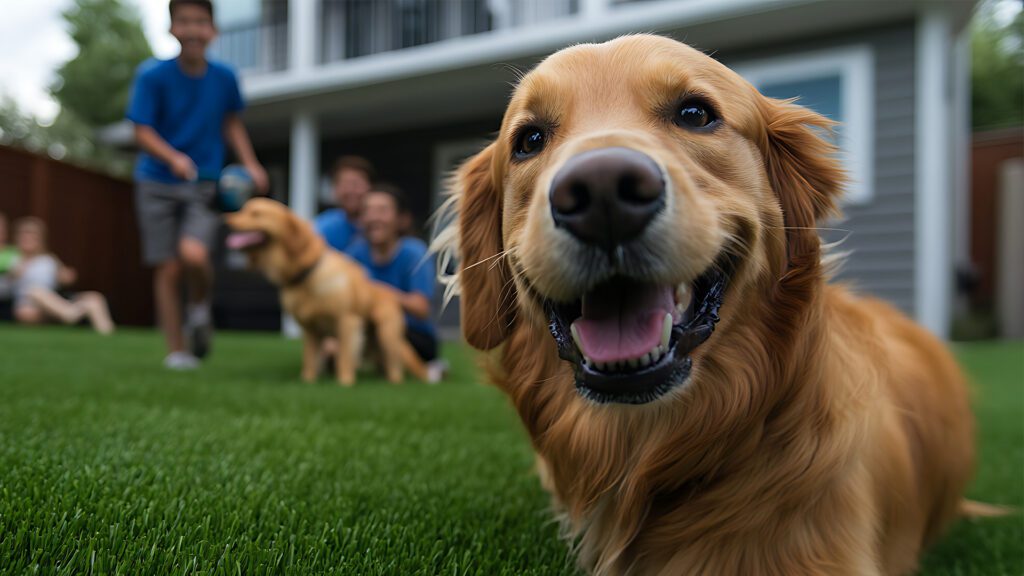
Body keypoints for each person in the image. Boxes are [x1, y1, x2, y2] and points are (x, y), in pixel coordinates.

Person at [126, 0, 267, 370]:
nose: (193, 30)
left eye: (201, 22)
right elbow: (141, 130)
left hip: (203, 184)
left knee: (193, 256)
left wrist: (251, 164)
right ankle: (177, 351)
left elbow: (231, 123)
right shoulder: (152, 76)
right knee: (168, 269)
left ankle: (199, 307)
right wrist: (172, 156)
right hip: (155, 181)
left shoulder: (224, 78)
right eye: (184, 21)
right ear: (172, 29)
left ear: (213, 31)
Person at [345, 184, 443, 371]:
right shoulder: (355, 252)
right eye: (367, 211)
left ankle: (421, 367)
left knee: (387, 331)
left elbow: (420, 308)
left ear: (401, 219)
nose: (374, 217)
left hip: (413, 335)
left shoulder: (414, 252)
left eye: (382, 210)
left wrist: (376, 291)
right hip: (368, 328)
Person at [11, 217, 114, 335]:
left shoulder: (49, 260)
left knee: (95, 298)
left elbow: (63, 279)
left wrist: (67, 276)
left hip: (54, 302)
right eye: (25, 235)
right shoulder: (13, 258)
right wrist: (14, 273)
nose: (28, 239)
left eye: (32, 236)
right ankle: (69, 314)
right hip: (28, 306)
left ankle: (107, 334)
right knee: (35, 292)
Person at [315, 156, 374, 252]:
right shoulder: (325, 226)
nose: (350, 191)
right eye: (344, 184)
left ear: (370, 186)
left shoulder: (381, 224)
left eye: (356, 184)